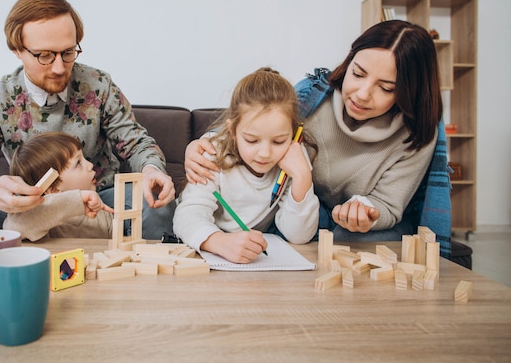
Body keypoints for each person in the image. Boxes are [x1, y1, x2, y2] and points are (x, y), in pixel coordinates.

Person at [0, 0, 176, 274]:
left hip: (102, 201)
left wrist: (151, 169)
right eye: (44, 55)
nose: (59, 67)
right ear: (17, 50)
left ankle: (146, 283)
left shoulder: (98, 85)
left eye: (68, 52)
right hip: (32, 210)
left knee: (156, 202)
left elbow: (137, 143)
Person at [184, 20, 452, 257]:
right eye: (357, 74)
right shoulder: (311, 97)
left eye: (385, 88)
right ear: (348, 63)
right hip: (304, 214)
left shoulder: (417, 134)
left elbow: (390, 204)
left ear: (409, 93)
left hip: (326, 221)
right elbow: (253, 123)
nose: (361, 94)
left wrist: (368, 211)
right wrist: (202, 145)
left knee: (354, 243)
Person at [173, 67, 319, 264]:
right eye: (251, 140)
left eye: (278, 141)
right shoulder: (211, 153)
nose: (265, 153)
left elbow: (299, 236)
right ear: (232, 130)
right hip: (209, 251)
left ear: (293, 135)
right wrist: (219, 242)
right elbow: (187, 215)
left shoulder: (294, 158)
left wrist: (303, 177)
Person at [4, 132, 115, 241]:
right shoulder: (43, 222)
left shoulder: (101, 212)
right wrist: (76, 199)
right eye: (78, 163)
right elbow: (15, 228)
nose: (90, 165)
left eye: (84, 158)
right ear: (54, 189)